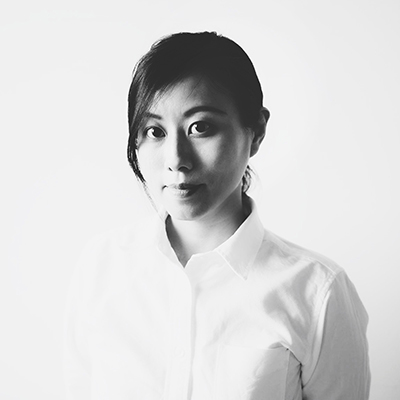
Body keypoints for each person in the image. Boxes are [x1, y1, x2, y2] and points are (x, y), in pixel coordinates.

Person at [64, 32, 370, 399]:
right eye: (154, 131)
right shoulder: (102, 266)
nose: (176, 160)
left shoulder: (317, 291)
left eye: (201, 127)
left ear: (256, 131)